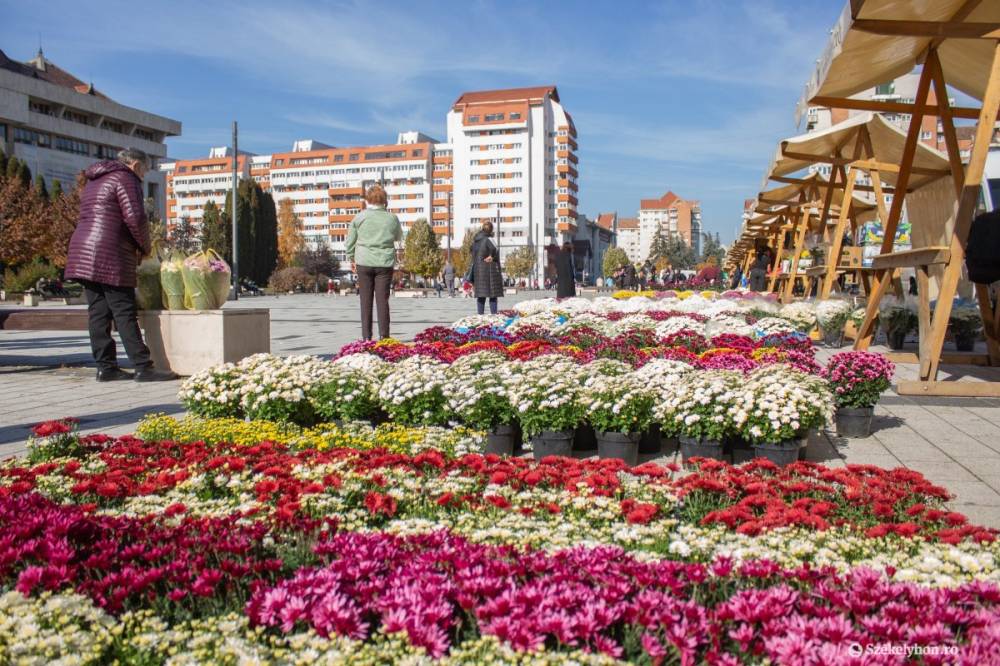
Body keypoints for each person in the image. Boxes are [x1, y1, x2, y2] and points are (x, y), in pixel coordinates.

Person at [64, 148, 176, 382]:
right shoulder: (126, 178)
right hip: (109, 251)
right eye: (145, 169)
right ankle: (143, 367)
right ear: (135, 165)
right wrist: (145, 248)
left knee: (98, 312)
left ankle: (106, 367)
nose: (144, 175)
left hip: (83, 249)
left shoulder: (94, 180)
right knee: (124, 309)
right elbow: (135, 217)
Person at [346, 184, 402, 340]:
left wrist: (352, 258)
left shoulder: (360, 217)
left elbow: (350, 241)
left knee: (365, 302)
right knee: (382, 301)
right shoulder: (392, 218)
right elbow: (398, 237)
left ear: (367, 200)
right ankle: (384, 337)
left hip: (363, 261)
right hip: (384, 262)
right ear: (384, 200)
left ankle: (366, 338)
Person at [471, 220, 503, 314]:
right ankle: (494, 316)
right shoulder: (489, 239)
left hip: (478, 271)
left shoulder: (475, 241)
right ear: (491, 230)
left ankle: (480, 316)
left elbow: (472, 252)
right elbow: (495, 250)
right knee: (492, 294)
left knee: (481, 295)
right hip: (489, 270)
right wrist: (492, 257)